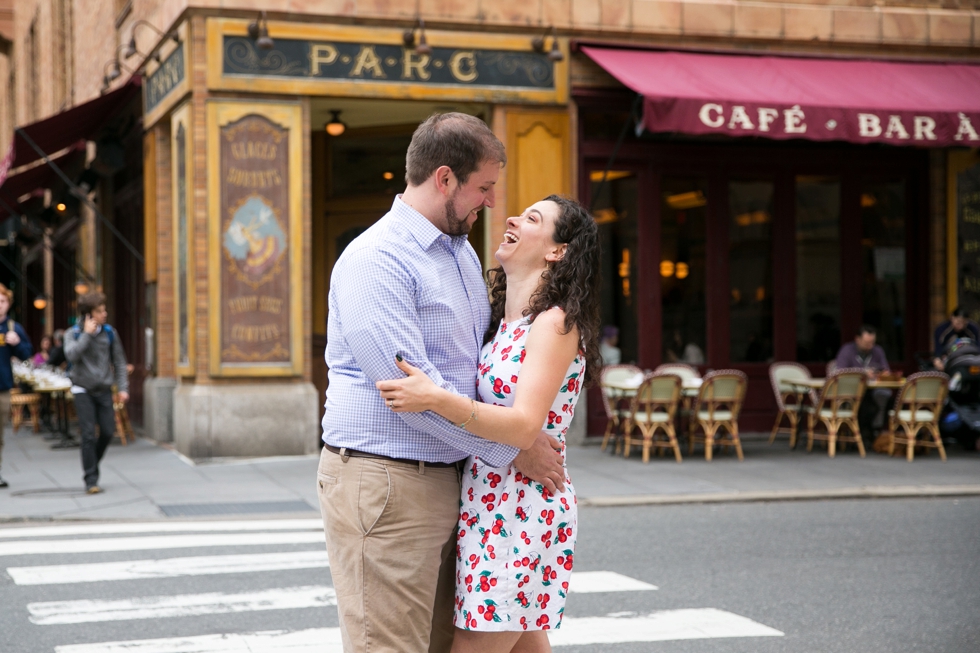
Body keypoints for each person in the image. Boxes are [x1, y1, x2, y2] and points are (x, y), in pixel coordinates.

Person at [317, 113, 568, 653]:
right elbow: (410, 394)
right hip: (387, 481)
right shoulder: (376, 259)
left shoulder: (459, 251)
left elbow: (467, 375)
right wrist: (513, 450)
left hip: (455, 479)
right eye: (484, 188)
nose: (492, 203)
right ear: (445, 179)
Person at [378, 195, 600, 652]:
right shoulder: (506, 324)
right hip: (491, 503)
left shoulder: (554, 323)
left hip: (520, 510)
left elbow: (522, 426)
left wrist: (435, 399)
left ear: (557, 251)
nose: (514, 217)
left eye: (534, 218)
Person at [64, 292, 129, 494]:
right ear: (88, 315)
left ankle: (92, 462)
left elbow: (119, 361)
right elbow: (71, 355)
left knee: (108, 431)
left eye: (104, 310)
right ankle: (91, 479)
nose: (105, 314)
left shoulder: (110, 333)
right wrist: (86, 334)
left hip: (103, 389)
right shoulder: (72, 333)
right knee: (88, 435)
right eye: (99, 311)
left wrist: (123, 388)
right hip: (82, 389)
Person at [0, 283, 33, 489]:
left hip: (2, 388)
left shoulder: (13, 328)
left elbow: (27, 353)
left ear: (8, 304)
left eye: (2, 301)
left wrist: (17, 343)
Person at [834, 324, 890, 439]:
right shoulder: (847, 350)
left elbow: (886, 370)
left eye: (872, 342)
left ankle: (875, 432)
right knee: (866, 405)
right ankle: (863, 435)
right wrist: (863, 373)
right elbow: (840, 371)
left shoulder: (877, 350)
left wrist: (881, 373)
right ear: (857, 339)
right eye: (866, 343)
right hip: (851, 391)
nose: (870, 346)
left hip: (873, 389)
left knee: (887, 397)